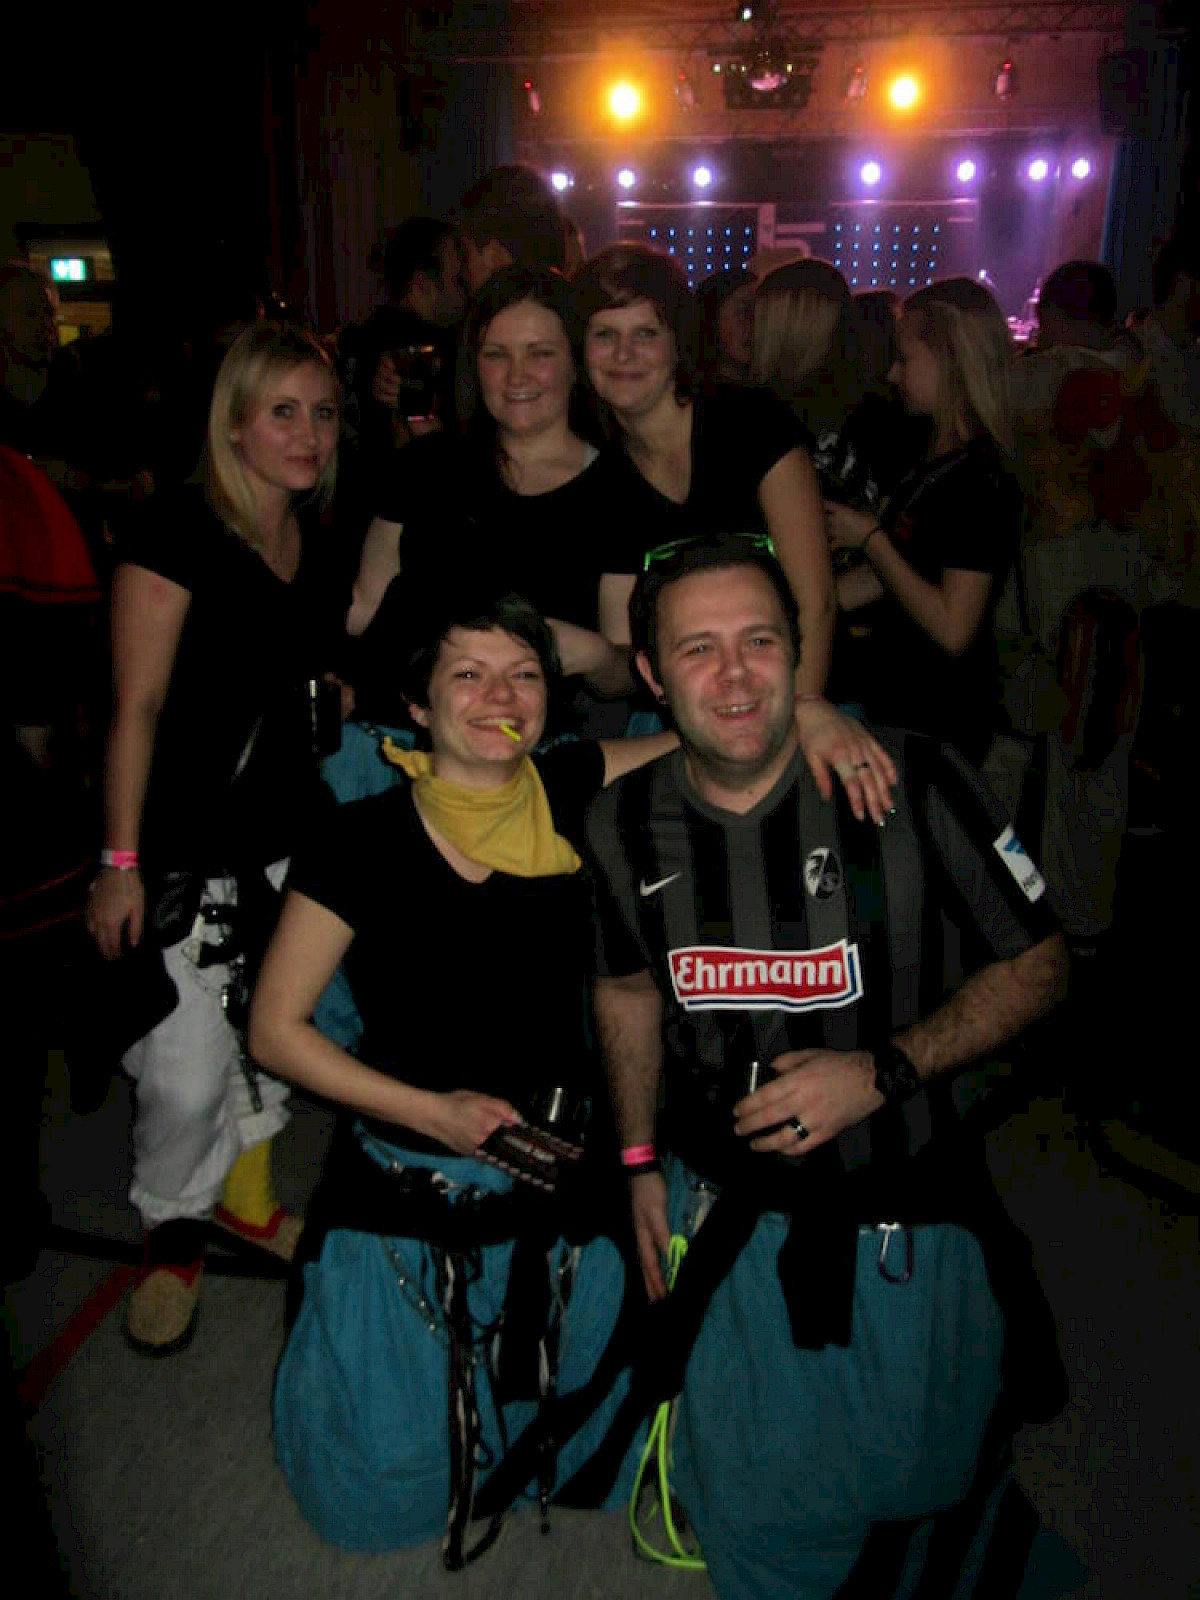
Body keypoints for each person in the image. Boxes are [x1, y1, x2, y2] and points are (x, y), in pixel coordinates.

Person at [585, 534, 1068, 1600]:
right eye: (699, 649)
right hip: (728, 1200)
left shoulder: (915, 780)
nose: (736, 674)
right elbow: (624, 992)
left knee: (923, 1474)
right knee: (759, 1499)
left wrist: (883, 1071)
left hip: (912, 1200)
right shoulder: (620, 824)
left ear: (800, 652)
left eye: (761, 641)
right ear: (653, 673)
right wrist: (636, 1160)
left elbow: (1041, 965)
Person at [249, 587, 676, 1558]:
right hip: (414, 1175)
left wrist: (817, 717)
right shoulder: (358, 839)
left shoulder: (569, 784)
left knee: (587, 1439)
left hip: (556, 1172)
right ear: (419, 702)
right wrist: (429, 1111)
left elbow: (712, 741)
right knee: (376, 1500)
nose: (501, 696)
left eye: (524, 676)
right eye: (470, 675)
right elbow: (275, 1033)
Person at [85, 321, 349, 1354]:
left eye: (322, 412)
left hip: (284, 835)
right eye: (282, 411)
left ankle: (245, 1198)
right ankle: (172, 1232)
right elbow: (136, 706)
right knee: (185, 1070)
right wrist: (119, 863)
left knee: (270, 1036)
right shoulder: (176, 532)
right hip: (185, 850)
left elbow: (297, 670)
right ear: (233, 424)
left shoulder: (315, 541)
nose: (308, 432)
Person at [574, 242, 896, 821]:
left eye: (645, 333)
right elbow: (625, 651)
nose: (624, 354)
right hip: (688, 720)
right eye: (604, 334)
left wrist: (800, 711)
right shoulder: (605, 477)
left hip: (805, 693)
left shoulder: (749, 422)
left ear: (678, 343)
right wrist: (584, 656)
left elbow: (816, 601)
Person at [350, 266, 636, 730]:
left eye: (540, 353)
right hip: (401, 734)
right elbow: (363, 612)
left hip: (536, 746)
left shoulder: (617, 489)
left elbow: (623, 675)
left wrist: (589, 652)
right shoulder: (425, 464)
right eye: (497, 355)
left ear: (575, 364)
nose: (517, 375)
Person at [826, 277, 1022, 763]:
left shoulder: (978, 480)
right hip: (904, 709)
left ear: (949, 360)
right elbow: (897, 574)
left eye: (904, 359)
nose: (893, 374)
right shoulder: (936, 459)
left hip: (940, 721)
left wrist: (870, 539)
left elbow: (954, 628)